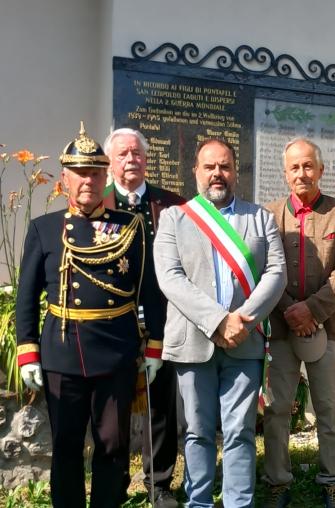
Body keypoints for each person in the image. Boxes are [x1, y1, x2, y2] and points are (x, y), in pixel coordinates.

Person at [16, 122, 156, 507]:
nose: (88, 181)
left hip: (116, 351)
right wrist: (27, 351)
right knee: (66, 445)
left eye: (95, 172)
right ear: (65, 178)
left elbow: (148, 290)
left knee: (113, 444)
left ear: (105, 174)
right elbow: (27, 297)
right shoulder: (44, 229)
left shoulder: (132, 227)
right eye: (80, 173)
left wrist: (154, 346)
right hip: (63, 350)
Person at [153, 138, 286, 507]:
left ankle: (238, 503)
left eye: (225, 166)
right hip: (194, 342)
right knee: (196, 432)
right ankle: (199, 502)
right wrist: (217, 322)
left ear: (235, 172)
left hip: (245, 341)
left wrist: (242, 320)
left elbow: (277, 273)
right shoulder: (174, 218)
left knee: (240, 431)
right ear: (195, 171)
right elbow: (170, 278)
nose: (217, 174)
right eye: (209, 166)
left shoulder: (260, 218)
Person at [262, 137, 335, 508]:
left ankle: (334, 481)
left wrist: (313, 311)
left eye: (308, 166)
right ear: (285, 174)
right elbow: (266, 270)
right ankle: (277, 482)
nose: (302, 173)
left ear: (320, 170)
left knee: (329, 409)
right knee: (277, 409)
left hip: (326, 327)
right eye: (294, 167)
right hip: (283, 328)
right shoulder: (269, 215)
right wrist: (291, 310)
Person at [102, 127, 185, 508]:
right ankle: (114, 481)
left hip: (162, 320)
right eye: (122, 154)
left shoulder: (171, 205)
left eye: (136, 153)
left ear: (147, 159)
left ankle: (160, 482)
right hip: (112, 323)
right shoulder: (97, 204)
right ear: (110, 161)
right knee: (113, 408)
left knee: (160, 404)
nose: (130, 160)